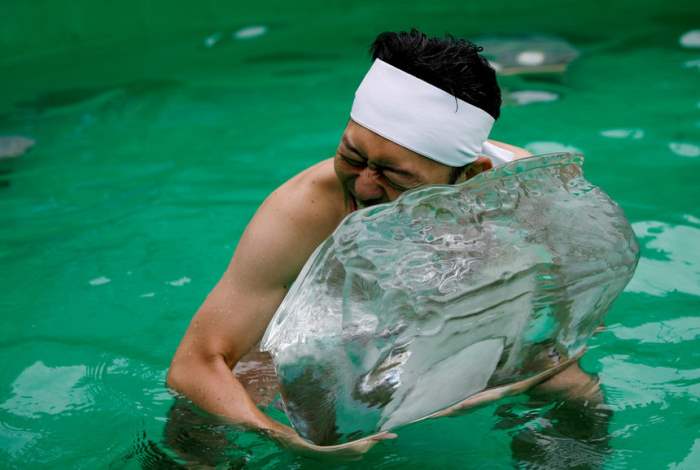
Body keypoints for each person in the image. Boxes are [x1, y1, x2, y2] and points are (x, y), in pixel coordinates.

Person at [166, 29, 598, 458]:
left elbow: (568, 314)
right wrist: (286, 439)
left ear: (469, 176)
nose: (364, 187)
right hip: (317, 342)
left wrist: (497, 377)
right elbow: (193, 367)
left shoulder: (526, 198)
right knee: (210, 411)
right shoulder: (302, 212)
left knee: (573, 391)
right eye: (352, 157)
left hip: (441, 330)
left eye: (395, 176)